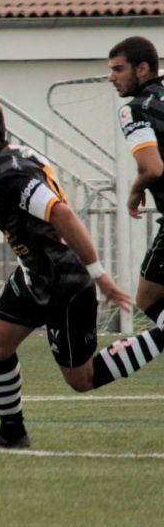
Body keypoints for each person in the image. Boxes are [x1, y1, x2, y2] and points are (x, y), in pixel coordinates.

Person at [0, 93, 164, 449]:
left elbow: (61, 212)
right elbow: (18, 202)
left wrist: (99, 274)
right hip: (34, 275)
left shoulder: (8, 173)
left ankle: (162, 334)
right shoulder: (9, 161)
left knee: (81, 379)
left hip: (64, 281)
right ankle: (12, 432)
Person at [109, 36, 164, 330]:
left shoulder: (135, 109)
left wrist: (134, 190)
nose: (111, 77)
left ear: (142, 68)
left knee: (148, 298)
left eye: (118, 69)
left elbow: (152, 167)